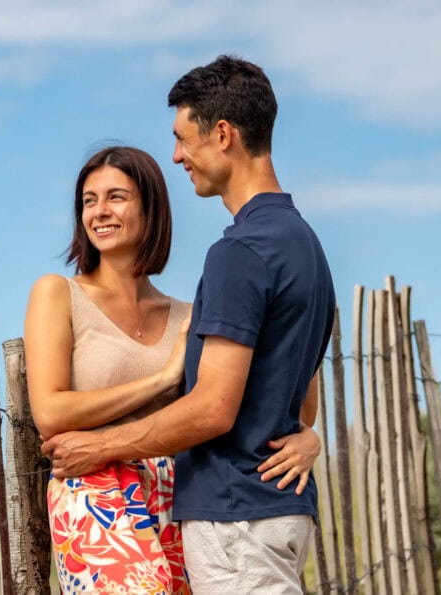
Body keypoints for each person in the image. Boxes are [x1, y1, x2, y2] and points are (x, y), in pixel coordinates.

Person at [42, 56, 335, 594]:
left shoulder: (239, 252)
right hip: (276, 513)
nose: (177, 156)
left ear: (222, 134)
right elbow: (297, 395)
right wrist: (307, 435)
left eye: (184, 138)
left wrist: (102, 447)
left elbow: (213, 409)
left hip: (237, 519)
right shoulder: (304, 243)